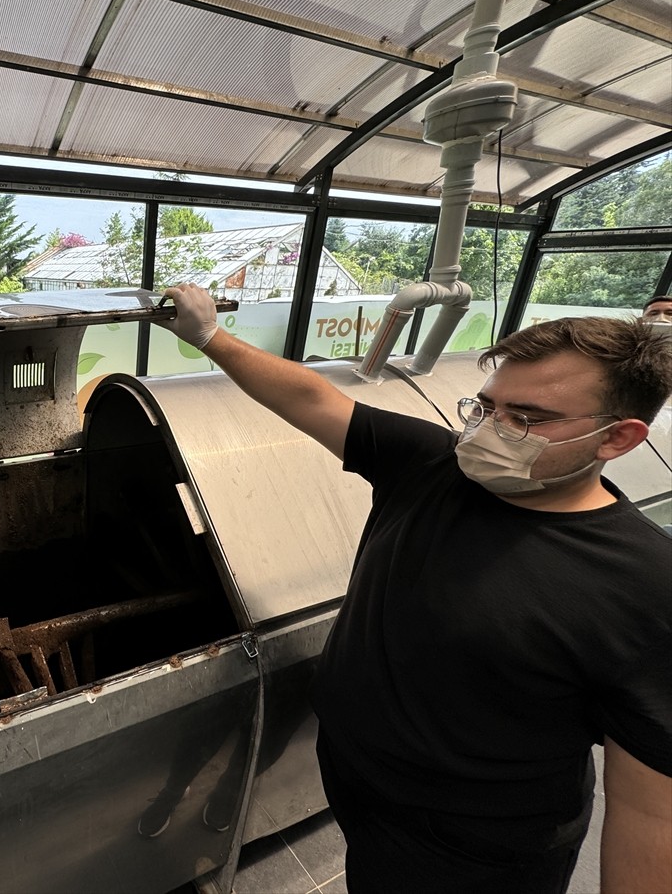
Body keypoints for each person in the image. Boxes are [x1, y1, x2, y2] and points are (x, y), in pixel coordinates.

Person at [158, 283, 672, 894]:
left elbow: (651, 811)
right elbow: (313, 397)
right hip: (359, 782)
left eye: (528, 419)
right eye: (485, 407)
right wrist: (209, 337)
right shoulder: (435, 466)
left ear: (619, 437)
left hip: (472, 849)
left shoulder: (646, 584)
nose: (489, 432)